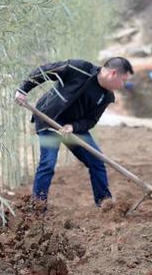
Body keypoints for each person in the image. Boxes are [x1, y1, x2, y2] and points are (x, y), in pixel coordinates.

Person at [15, 57, 133, 207]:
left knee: (97, 161)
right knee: (48, 164)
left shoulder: (106, 96)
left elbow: (91, 120)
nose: (122, 85)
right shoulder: (78, 68)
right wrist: (23, 90)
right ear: (113, 73)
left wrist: (73, 127)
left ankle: (104, 203)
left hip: (72, 128)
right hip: (49, 119)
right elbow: (45, 70)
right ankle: (37, 205)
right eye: (122, 80)